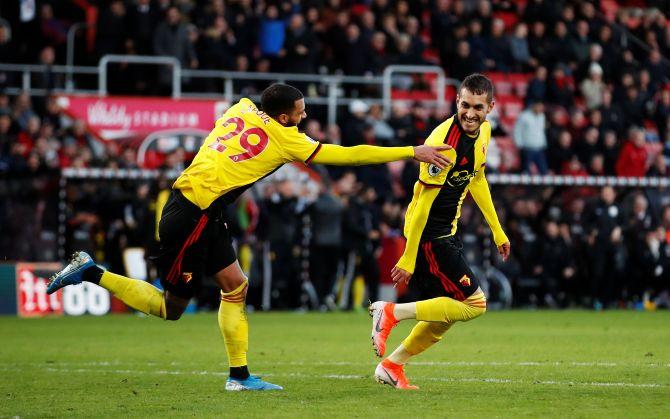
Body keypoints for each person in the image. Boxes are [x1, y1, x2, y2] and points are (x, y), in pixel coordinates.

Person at [46, 83, 451, 391]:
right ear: (284, 116)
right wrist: (409, 151)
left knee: (236, 286)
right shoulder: (285, 137)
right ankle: (91, 271)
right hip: (192, 216)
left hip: (206, 210)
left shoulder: (241, 108)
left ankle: (239, 376)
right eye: (300, 111)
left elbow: (246, 113)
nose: (304, 115)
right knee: (170, 309)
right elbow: (348, 154)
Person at [368, 74, 510, 390]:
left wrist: (497, 231)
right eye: (464, 105)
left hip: (447, 230)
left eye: (477, 107)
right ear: (456, 101)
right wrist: (407, 255)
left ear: (490, 107)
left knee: (446, 314)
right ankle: (390, 311)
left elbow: (477, 180)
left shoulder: (484, 132)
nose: (470, 113)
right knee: (475, 304)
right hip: (429, 234)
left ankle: (392, 365)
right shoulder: (442, 144)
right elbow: (421, 206)